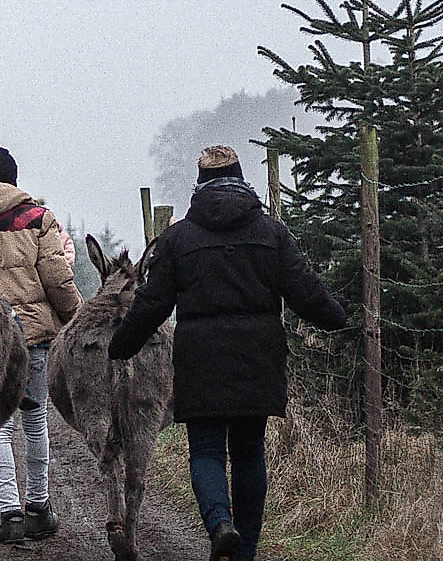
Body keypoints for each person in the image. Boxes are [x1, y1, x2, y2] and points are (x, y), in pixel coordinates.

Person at [107, 146, 346, 561]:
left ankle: (220, 525)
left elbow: (151, 304)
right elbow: (306, 291)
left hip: (201, 360)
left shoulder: (178, 238)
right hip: (259, 357)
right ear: (242, 177)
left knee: (205, 451)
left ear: (199, 184)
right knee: (250, 452)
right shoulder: (272, 233)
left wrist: (121, 345)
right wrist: (337, 319)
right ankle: (246, 551)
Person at [0, 147, 82, 544]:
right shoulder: (37, 218)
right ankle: (39, 507)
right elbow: (57, 279)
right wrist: (76, 320)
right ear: (15, 178)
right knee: (35, 421)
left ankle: (9, 513)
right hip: (33, 335)